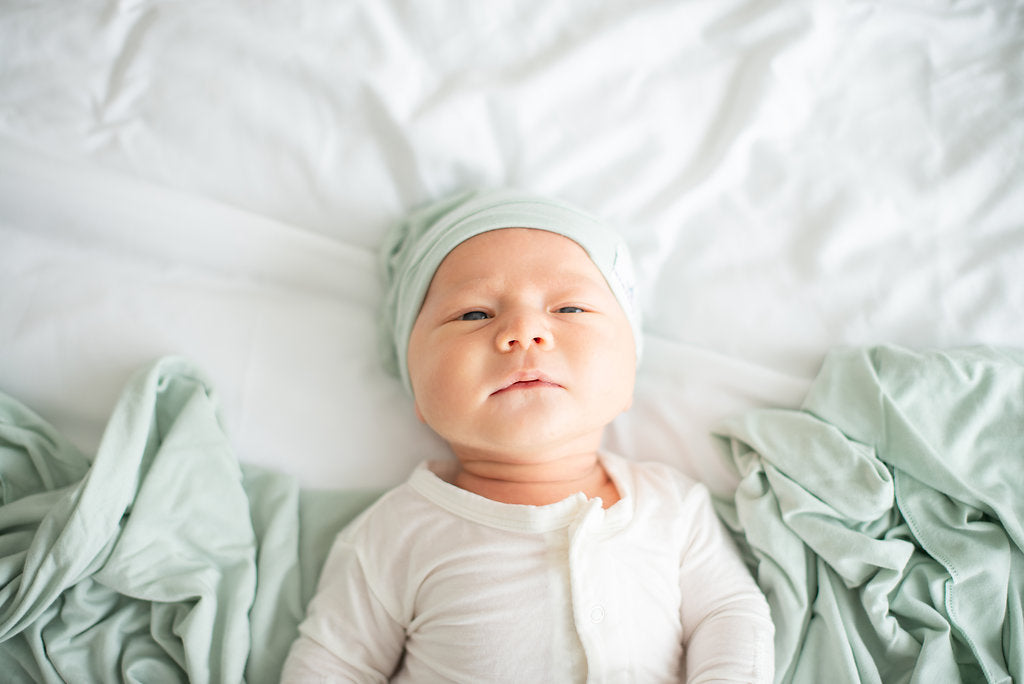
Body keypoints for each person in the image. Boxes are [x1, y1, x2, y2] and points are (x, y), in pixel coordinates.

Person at [281, 189, 774, 682]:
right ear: (419, 393)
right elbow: (334, 664)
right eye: (474, 314)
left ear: (629, 374)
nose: (524, 330)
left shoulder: (672, 508)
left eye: (570, 309)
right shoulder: (393, 534)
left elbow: (729, 614)